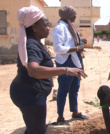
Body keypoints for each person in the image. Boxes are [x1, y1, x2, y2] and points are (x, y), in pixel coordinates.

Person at [10, 6, 87, 134]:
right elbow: (33, 70)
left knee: (34, 127)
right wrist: (65, 69)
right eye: (45, 25)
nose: (48, 28)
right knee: (38, 131)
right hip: (30, 95)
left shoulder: (36, 42)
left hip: (31, 93)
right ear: (34, 27)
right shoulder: (31, 45)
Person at [52, 5, 88, 124]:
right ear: (68, 15)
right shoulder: (60, 28)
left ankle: (75, 112)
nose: (75, 16)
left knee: (74, 88)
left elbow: (72, 42)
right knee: (63, 89)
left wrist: (80, 43)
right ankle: (60, 116)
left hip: (74, 61)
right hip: (65, 62)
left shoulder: (69, 27)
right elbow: (57, 48)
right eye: (74, 14)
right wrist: (76, 48)